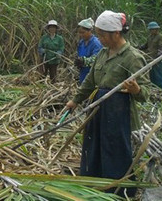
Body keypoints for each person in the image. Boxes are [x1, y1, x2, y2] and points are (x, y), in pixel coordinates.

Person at [66, 10, 149, 196]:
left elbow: (146, 93)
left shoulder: (132, 57)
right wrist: (75, 100)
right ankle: (93, 183)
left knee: (115, 151)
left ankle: (118, 191)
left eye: (103, 35)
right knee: (93, 145)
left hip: (118, 113)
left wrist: (136, 90)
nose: (100, 39)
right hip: (98, 109)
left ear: (116, 33)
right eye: (99, 34)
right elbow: (89, 80)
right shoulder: (103, 54)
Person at [74, 18, 102, 84]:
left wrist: (84, 61)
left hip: (92, 75)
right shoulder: (81, 43)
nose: (81, 35)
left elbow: (97, 59)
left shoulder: (96, 43)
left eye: (83, 32)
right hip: (83, 73)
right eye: (79, 33)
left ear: (90, 31)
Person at [139, 21, 162, 88]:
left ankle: (159, 86)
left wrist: (158, 56)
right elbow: (146, 45)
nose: (151, 31)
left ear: (156, 29)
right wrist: (140, 47)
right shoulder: (150, 37)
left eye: (153, 29)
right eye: (150, 30)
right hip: (149, 57)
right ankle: (153, 85)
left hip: (156, 58)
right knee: (151, 72)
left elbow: (161, 47)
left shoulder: (160, 37)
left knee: (157, 72)